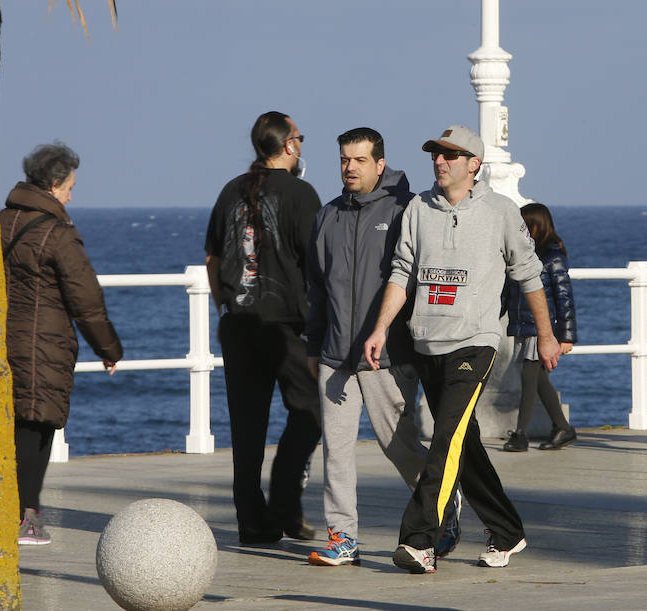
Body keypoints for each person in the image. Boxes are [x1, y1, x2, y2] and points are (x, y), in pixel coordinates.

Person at [363, 125, 561, 574]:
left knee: (444, 440)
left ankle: (419, 541)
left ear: (474, 164)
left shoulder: (501, 211)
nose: (440, 161)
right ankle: (507, 531)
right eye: (435, 154)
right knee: (463, 443)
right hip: (427, 341)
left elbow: (529, 275)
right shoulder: (418, 209)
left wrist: (546, 335)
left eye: (451, 155)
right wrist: (380, 329)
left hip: (475, 342)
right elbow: (402, 272)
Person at [305, 128, 460, 566]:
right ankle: (343, 538)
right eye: (343, 160)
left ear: (379, 164)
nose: (349, 168)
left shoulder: (404, 209)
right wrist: (314, 347)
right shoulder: (328, 215)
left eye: (358, 160)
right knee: (335, 449)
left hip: (387, 356)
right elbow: (316, 289)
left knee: (398, 445)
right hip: (336, 354)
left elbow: (417, 278)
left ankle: (443, 504)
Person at [205, 111, 322, 544]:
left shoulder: (229, 191)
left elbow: (213, 259)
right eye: (300, 139)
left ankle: (253, 522)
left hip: (239, 325)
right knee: (311, 411)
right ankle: (285, 504)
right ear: (289, 145)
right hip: (287, 327)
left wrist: (226, 308)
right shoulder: (301, 193)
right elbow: (318, 264)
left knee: (247, 427)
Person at [1, 142, 122, 545]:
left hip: (2, 339)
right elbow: (85, 300)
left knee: (15, 425)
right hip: (43, 344)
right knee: (38, 426)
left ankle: (10, 509)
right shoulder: (57, 233)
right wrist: (108, 349)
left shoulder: (0, 221)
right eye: (70, 186)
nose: (72, 194)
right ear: (54, 185)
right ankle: (26, 517)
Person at [502, 203, 578, 452]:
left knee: (528, 377)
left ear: (536, 226)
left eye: (524, 225)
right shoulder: (524, 256)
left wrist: (565, 336)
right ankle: (562, 427)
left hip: (542, 329)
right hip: (525, 326)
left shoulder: (552, 257)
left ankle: (520, 434)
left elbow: (564, 298)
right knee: (539, 380)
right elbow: (511, 293)